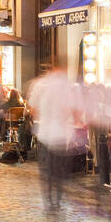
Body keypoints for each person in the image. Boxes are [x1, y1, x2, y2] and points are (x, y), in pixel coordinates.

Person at [29, 72, 75, 211]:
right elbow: (72, 110)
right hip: (58, 135)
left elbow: (32, 109)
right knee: (58, 170)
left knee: (47, 170)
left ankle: (50, 200)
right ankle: (56, 200)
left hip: (46, 134)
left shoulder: (40, 86)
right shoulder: (65, 88)